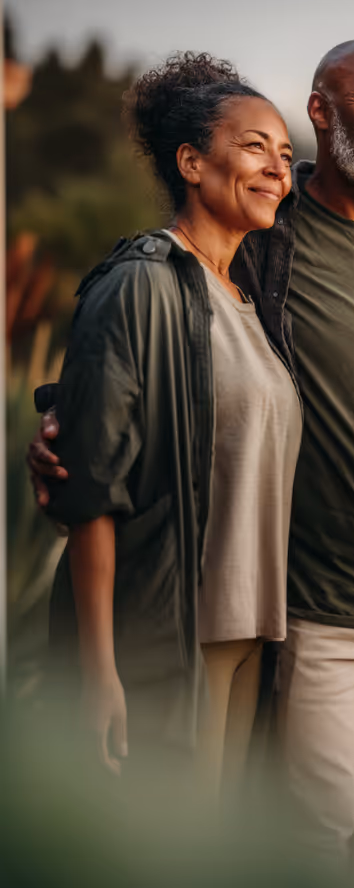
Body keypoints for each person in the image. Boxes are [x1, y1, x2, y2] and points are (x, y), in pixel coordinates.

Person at [30, 39, 354, 886]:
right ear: (323, 111)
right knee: (284, 847)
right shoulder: (260, 243)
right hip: (291, 616)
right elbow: (138, 346)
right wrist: (61, 427)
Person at [33, 52, 302, 797]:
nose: (279, 169)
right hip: (171, 641)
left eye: (286, 154)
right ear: (190, 161)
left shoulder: (249, 303)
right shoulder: (138, 285)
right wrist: (97, 675)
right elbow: (94, 494)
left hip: (254, 634)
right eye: (255, 147)